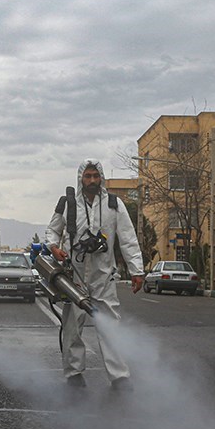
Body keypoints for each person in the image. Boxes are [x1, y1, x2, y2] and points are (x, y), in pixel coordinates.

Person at [45, 158, 144, 391]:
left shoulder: (114, 204)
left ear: (101, 178)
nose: (92, 180)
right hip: (74, 277)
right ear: (81, 178)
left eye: (95, 176)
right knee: (72, 327)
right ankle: (74, 373)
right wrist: (53, 247)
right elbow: (52, 230)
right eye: (87, 176)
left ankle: (119, 376)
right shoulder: (68, 203)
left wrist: (137, 270)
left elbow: (128, 239)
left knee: (110, 326)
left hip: (103, 277)